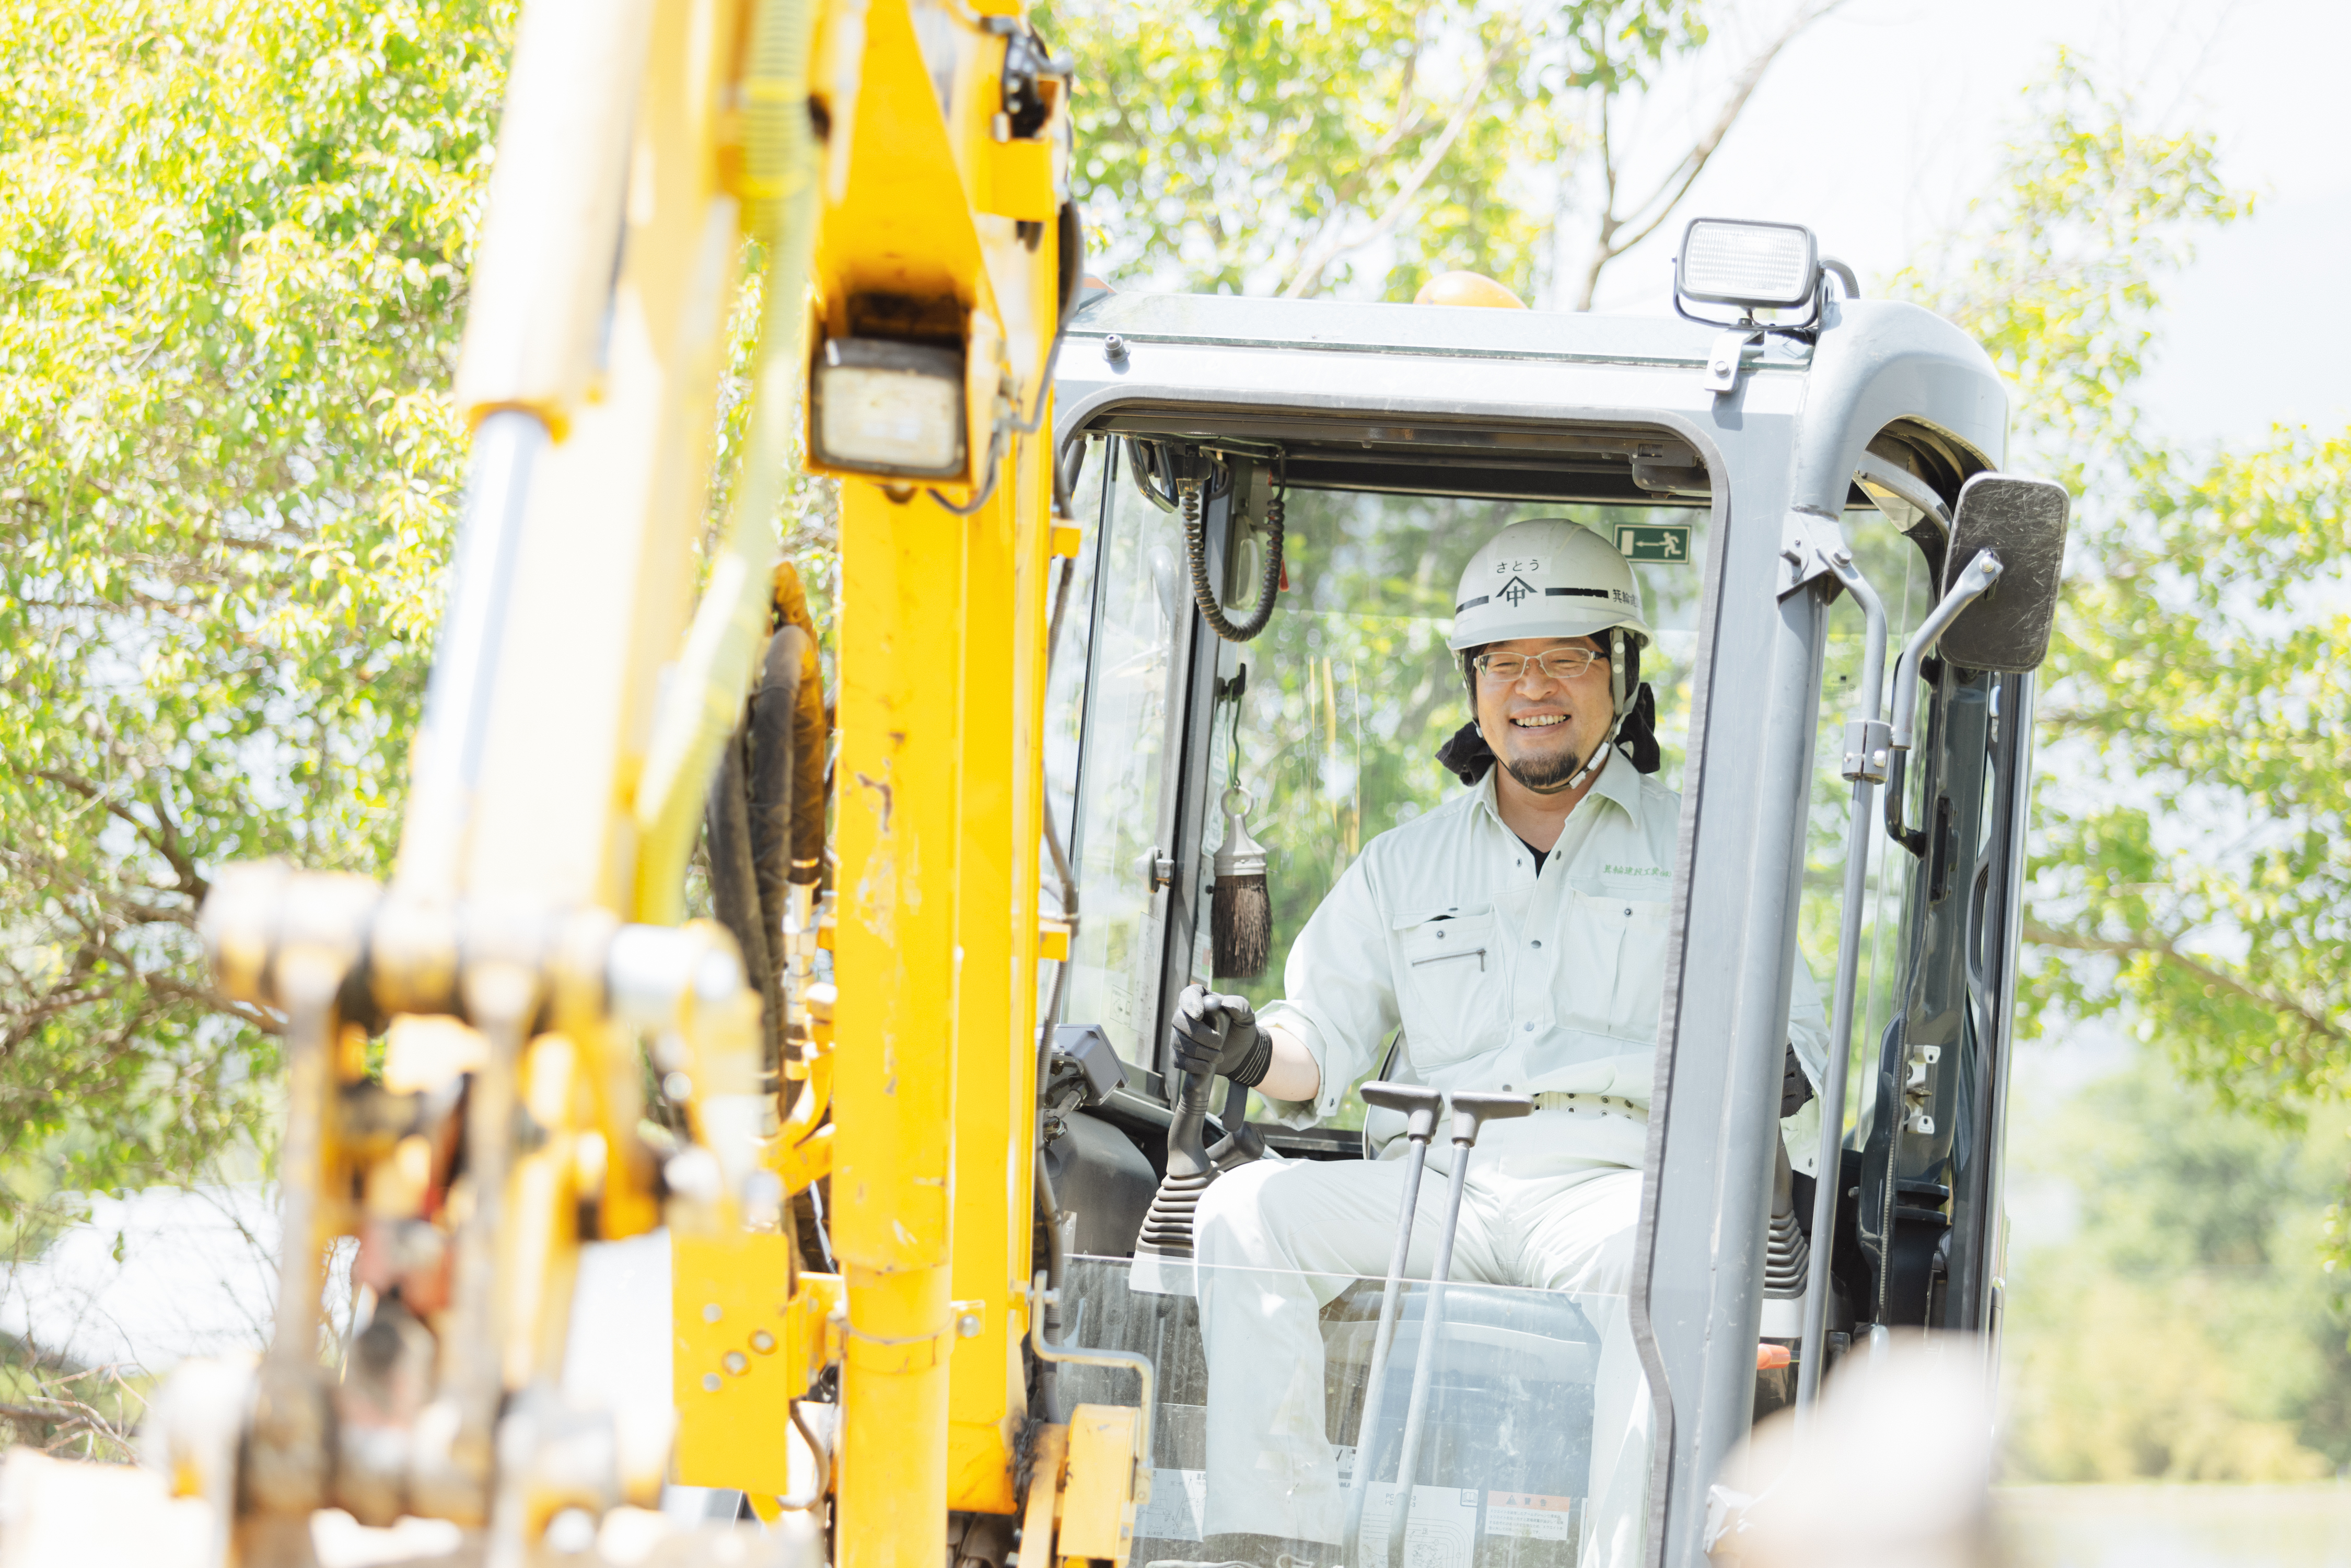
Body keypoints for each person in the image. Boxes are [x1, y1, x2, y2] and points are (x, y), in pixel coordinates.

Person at [1173, 518, 1828, 1566]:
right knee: (1248, 1207)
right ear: (1475, 687)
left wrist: (1773, 1062)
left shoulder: (1709, 852)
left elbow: (1800, 1040)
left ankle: (1633, 1555)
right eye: (1502, 663)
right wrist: (1248, 1046)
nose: (1532, 687)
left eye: (1563, 657)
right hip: (1440, 1188)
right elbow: (1318, 1044)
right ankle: (1270, 1542)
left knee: (1677, 1262)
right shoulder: (1403, 866)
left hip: (1616, 1190)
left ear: (1618, 669)